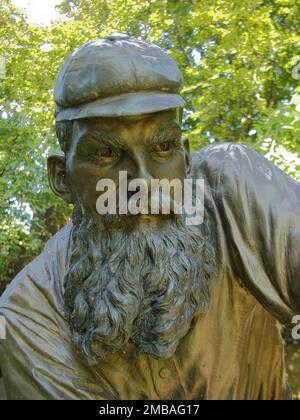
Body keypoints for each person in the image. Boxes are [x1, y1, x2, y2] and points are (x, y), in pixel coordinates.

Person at [0, 33, 299, 400]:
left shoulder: (231, 188)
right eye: (106, 154)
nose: (143, 183)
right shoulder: (27, 319)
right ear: (62, 178)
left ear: (186, 159)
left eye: (162, 148)